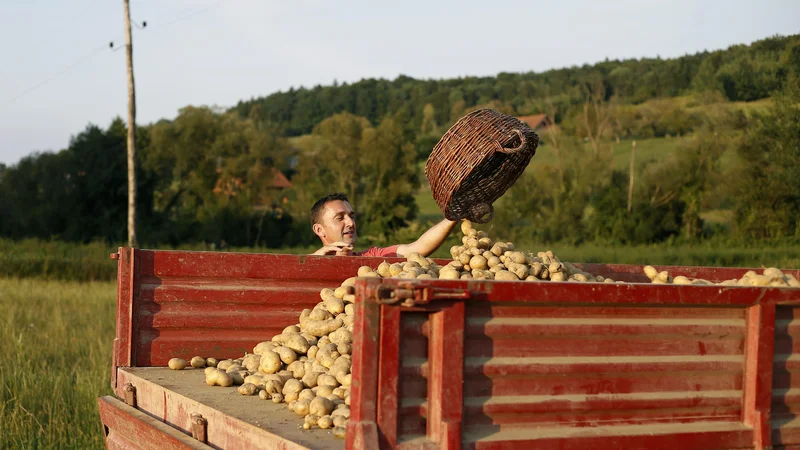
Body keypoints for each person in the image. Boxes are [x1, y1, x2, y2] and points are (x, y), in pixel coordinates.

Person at [310, 193, 456, 257]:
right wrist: (312, 261)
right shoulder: (307, 264)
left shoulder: (373, 257)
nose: (350, 223)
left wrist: (453, 217)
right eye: (340, 218)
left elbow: (419, 247)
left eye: (352, 216)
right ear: (319, 230)